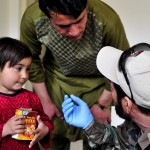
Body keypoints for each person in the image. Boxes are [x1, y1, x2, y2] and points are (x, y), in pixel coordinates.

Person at [20, 0, 129, 149]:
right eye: (63, 26)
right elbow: (30, 60)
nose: (76, 31)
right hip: (55, 84)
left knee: (97, 141)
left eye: (79, 20)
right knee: (49, 139)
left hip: (98, 88)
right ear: (49, 17)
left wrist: (102, 105)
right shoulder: (33, 18)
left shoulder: (107, 20)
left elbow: (119, 63)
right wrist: (45, 101)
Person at [62, 43, 150, 149]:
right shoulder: (136, 127)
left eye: (111, 89)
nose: (112, 95)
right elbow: (121, 143)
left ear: (127, 104)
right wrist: (89, 124)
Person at [0, 37, 54, 150]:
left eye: (27, 69)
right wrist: (5, 129)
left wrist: (45, 129)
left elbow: (45, 121)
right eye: (18, 68)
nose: (25, 75)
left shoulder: (31, 98)